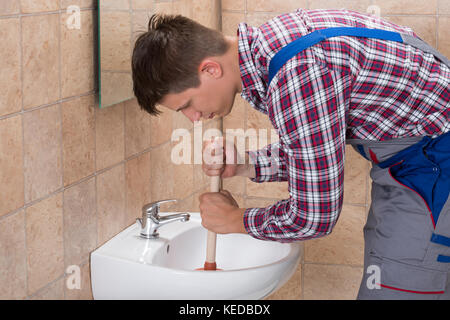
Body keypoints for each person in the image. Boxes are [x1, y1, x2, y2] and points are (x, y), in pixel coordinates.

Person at [131, 8, 450, 299]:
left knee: (396, 287)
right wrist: (246, 164)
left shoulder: (296, 70)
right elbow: (314, 149)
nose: (194, 117)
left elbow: (316, 216)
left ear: (211, 69)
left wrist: (237, 220)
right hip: (416, 159)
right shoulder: (278, 44)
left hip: (434, 165)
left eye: (187, 105)